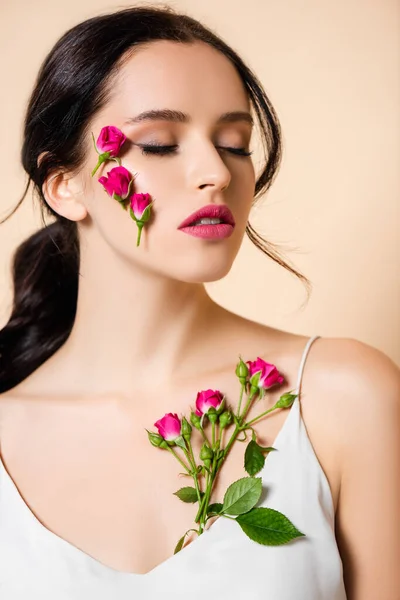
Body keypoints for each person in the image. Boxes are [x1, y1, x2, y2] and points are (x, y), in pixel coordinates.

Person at [0, 5, 399, 600]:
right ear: (66, 185)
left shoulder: (342, 397)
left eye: (235, 144)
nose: (215, 171)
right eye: (159, 144)